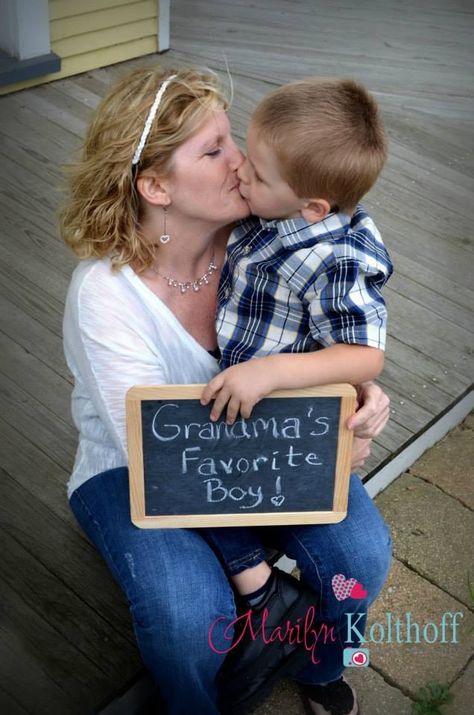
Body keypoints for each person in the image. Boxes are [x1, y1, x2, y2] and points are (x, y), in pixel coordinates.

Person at [60, 65, 392, 715]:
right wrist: (256, 574)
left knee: (362, 555)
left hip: (267, 436)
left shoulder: (264, 231)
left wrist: (357, 396)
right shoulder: (105, 294)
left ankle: (321, 665)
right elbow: (165, 457)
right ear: (155, 184)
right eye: (214, 151)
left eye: (231, 139)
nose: (241, 161)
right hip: (135, 465)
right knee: (190, 618)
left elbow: (337, 330)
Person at [199, 79, 392, 709]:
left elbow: (367, 352)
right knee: (196, 485)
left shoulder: (337, 255)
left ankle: (324, 667)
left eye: (255, 171)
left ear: (312, 205)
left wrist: (273, 372)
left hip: (293, 434)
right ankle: (264, 598)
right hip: (240, 427)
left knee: (358, 568)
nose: (239, 174)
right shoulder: (269, 213)